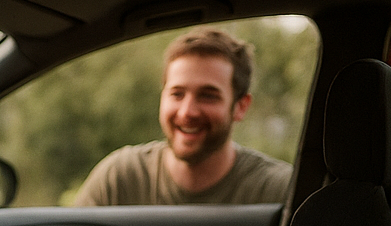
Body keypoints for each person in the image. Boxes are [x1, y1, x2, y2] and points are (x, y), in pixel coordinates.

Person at [74, 28, 293, 206]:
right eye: (177, 94)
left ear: (240, 107)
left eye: (208, 96)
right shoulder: (119, 180)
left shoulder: (280, 190)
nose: (187, 111)